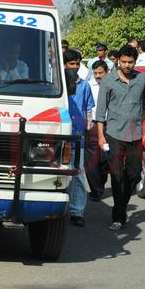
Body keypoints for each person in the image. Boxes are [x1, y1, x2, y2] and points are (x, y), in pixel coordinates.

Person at [95, 45, 145, 230]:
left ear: (135, 62)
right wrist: (100, 136)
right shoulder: (108, 81)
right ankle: (118, 216)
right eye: (124, 61)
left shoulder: (143, 79)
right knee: (116, 174)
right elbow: (100, 111)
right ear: (118, 61)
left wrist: (141, 118)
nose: (127, 65)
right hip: (113, 133)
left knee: (135, 174)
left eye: (131, 62)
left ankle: (119, 207)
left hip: (135, 134)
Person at [63, 52, 95, 227]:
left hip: (78, 137)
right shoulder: (57, 85)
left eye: (77, 64)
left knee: (79, 175)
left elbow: (88, 110)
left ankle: (77, 211)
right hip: (60, 137)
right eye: (71, 64)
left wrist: (88, 131)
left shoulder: (84, 86)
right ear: (65, 65)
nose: (74, 67)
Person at [86, 60, 110, 201]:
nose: (97, 75)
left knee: (106, 158)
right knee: (92, 159)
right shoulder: (89, 86)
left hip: (110, 125)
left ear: (107, 72)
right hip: (93, 126)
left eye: (100, 73)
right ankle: (96, 190)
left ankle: (100, 184)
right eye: (95, 73)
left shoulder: (114, 85)